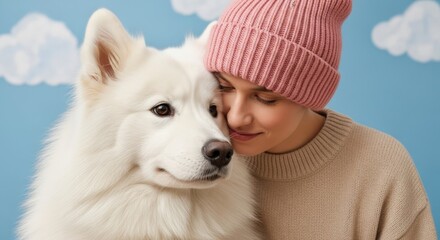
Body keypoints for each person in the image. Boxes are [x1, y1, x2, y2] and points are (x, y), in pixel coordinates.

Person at [204, 0, 438, 239]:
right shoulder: (203, 152)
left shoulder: (382, 167)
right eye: (224, 86)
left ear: (310, 95)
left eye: (265, 98)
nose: (235, 117)